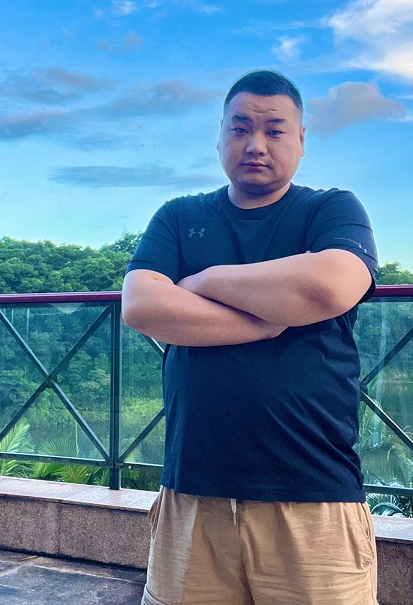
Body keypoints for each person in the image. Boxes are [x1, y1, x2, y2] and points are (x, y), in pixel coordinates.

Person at [122, 69, 379, 605]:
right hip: (191, 492)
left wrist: (205, 281)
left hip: (312, 494)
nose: (256, 144)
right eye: (240, 129)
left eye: (274, 130)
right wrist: (269, 318)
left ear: (301, 140)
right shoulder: (179, 217)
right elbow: (142, 305)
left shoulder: (330, 209)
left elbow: (331, 286)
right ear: (219, 137)